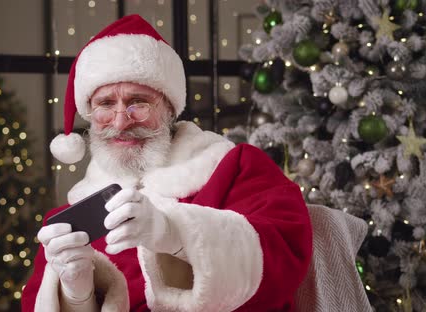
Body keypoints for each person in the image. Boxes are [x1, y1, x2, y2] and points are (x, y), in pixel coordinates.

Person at [22, 14, 312, 312]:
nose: (121, 121)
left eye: (139, 102)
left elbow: (285, 258)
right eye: (106, 104)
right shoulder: (71, 221)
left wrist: (174, 234)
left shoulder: (234, 167)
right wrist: (76, 295)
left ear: (170, 109)